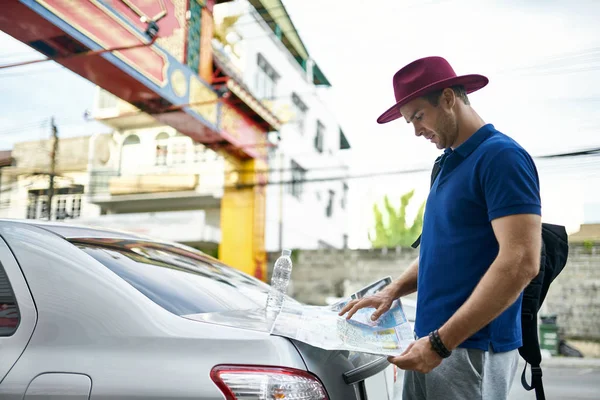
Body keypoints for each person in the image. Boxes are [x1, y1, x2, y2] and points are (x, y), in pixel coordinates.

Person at [339, 56, 542, 400]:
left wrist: (440, 344)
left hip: (468, 348)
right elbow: (443, 250)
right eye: (409, 122)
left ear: (449, 98)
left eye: (419, 116)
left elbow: (521, 261)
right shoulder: (447, 164)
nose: (416, 130)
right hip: (431, 344)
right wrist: (392, 292)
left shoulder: (500, 157)